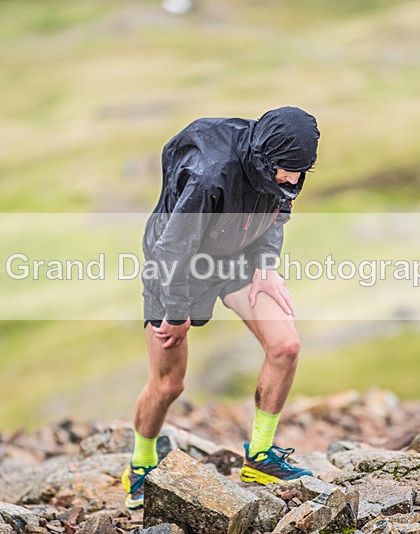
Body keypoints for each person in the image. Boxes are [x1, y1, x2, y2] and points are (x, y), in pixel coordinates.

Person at [122, 106, 320, 509]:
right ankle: (140, 464)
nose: (293, 180)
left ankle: (260, 456)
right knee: (168, 384)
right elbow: (173, 249)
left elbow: (278, 209)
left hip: (238, 257)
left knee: (285, 347)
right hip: (177, 267)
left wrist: (265, 265)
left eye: (301, 172)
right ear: (264, 158)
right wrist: (176, 314)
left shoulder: (281, 166)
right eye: (287, 171)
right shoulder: (209, 175)